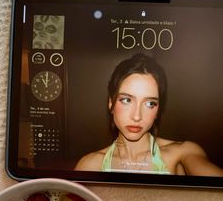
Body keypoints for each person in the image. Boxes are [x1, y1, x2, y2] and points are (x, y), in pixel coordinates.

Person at [75, 53, 223, 176]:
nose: (137, 116)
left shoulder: (181, 153)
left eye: (149, 103)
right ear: (110, 103)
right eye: (126, 100)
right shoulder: (90, 165)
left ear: (158, 109)